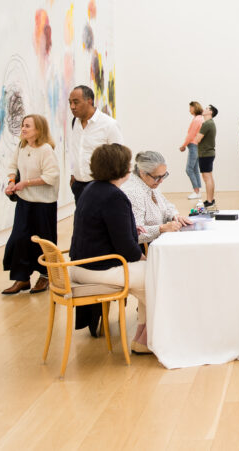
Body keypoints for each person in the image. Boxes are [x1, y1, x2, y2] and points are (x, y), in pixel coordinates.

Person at [68, 143, 150, 353]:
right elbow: (126, 248)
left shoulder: (91, 189)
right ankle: (146, 339)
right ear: (121, 168)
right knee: (157, 276)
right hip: (99, 270)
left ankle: (144, 335)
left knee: (149, 280)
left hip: (79, 266)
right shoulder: (114, 196)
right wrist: (143, 258)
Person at [1, 114, 60, 295]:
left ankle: (46, 276)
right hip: (25, 202)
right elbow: (13, 167)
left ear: (38, 130)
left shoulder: (45, 150)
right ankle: (22, 278)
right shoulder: (22, 146)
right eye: (23, 125)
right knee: (19, 239)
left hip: (44, 204)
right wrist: (12, 182)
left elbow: (52, 176)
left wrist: (26, 183)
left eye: (28, 126)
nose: (23, 129)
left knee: (44, 241)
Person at [121, 151, 191, 245]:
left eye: (164, 175)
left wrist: (175, 216)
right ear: (142, 173)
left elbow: (166, 205)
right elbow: (136, 233)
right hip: (144, 248)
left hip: (158, 242)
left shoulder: (150, 184)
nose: (161, 181)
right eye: (157, 177)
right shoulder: (134, 192)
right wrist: (161, 228)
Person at [67, 85, 122, 203]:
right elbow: (76, 151)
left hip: (101, 186)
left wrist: (112, 185)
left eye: (76, 102)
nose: (72, 107)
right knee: (81, 221)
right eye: (70, 102)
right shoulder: (74, 123)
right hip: (79, 186)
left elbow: (120, 157)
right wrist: (73, 174)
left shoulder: (109, 124)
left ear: (89, 101)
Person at [179, 101, 204, 200]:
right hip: (197, 146)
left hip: (193, 146)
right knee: (195, 169)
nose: (189, 109)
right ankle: (197, 191)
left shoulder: (197, 120)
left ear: (195, 108)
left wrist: (183, 145)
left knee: (189, 169)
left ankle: (196, 191)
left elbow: (191, 135)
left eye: (190, 107)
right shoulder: (200, 119)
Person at [197, 105, 217, 209]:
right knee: (209, 177)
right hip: (208, 154)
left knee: (207, 178)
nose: (204, 109)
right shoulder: (211, 123)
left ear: (211, 112)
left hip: (205, 154)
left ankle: (210, 201)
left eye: (207, 108)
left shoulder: (206, 124)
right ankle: (211, 199)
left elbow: (197, 139)